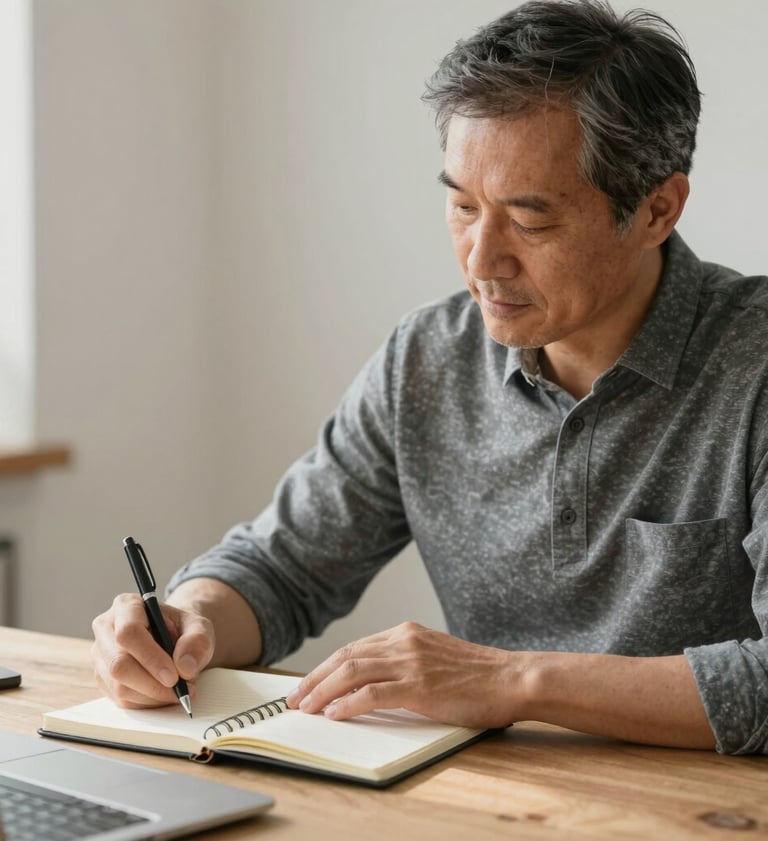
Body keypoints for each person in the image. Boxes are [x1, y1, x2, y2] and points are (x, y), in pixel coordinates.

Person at [91, 0, 768, 755]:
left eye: (531, 221)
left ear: (657, 210)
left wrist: (513, 681)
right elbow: (283, 566)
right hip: (480, 796)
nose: (482, 260)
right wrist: (191, 620)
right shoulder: (427, 358)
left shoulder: (756, 365)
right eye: (461, 205)